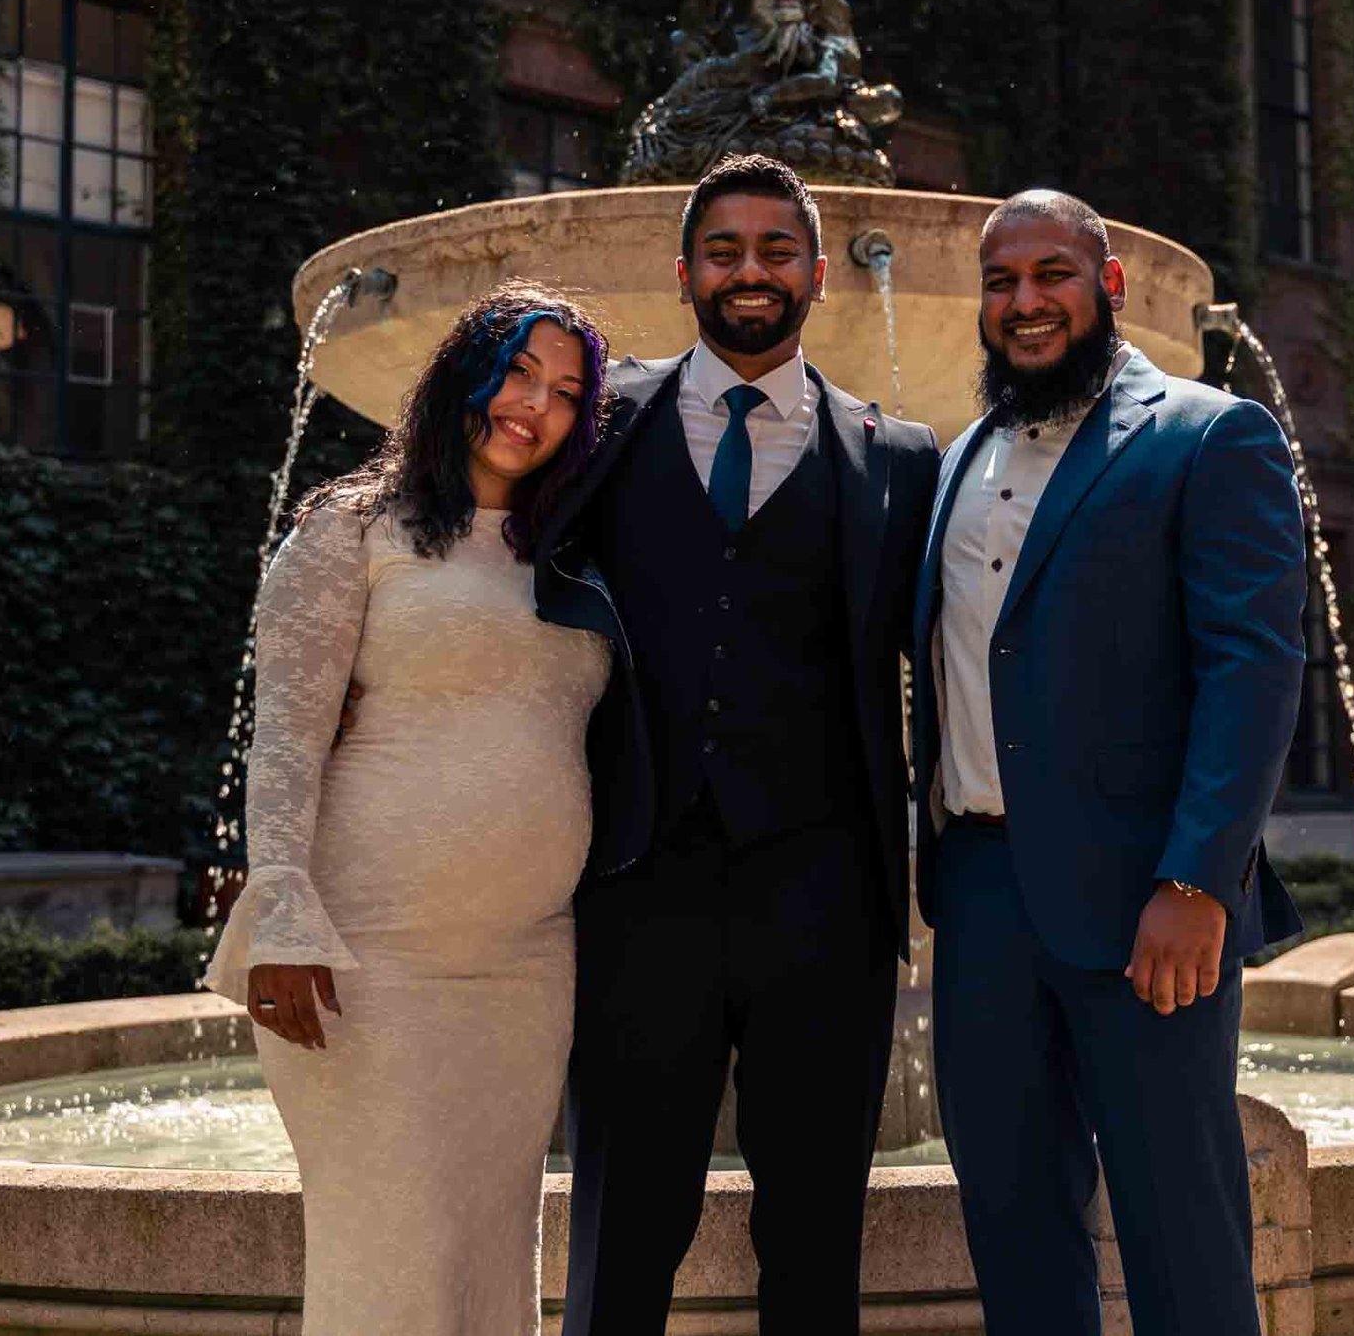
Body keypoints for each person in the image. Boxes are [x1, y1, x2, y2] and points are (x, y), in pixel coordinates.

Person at [537, 153, 940, 1336]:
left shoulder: (900, 459)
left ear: (816, 272)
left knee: (815, 1236)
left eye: (775, 250)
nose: (750, 271)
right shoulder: (599, 425)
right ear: (682, 274)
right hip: (636, 891)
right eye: (724, 250)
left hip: (828, 901)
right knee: (622, 1233)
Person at [203, 280, 638, 1336]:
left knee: (492, 1264)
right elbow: (288, 737)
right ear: (463, 377)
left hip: (528, 965)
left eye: (568, 391)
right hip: (366, 957)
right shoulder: (352, 529)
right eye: (518, 372)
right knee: (389, 1265)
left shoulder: (572, 554)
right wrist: (283, 911)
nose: (535, 404)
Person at [910, 189, 1308, 1336]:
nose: (1025, 302)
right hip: (979, 896)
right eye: (1002, 282)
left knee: (1181, 1233)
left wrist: (1197, 882)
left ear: (1108, 286)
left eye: (1051, 275)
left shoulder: (1208, 431)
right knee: (1014, 1223)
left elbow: (1253, 667)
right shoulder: (954, 458)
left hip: (1150, 903)